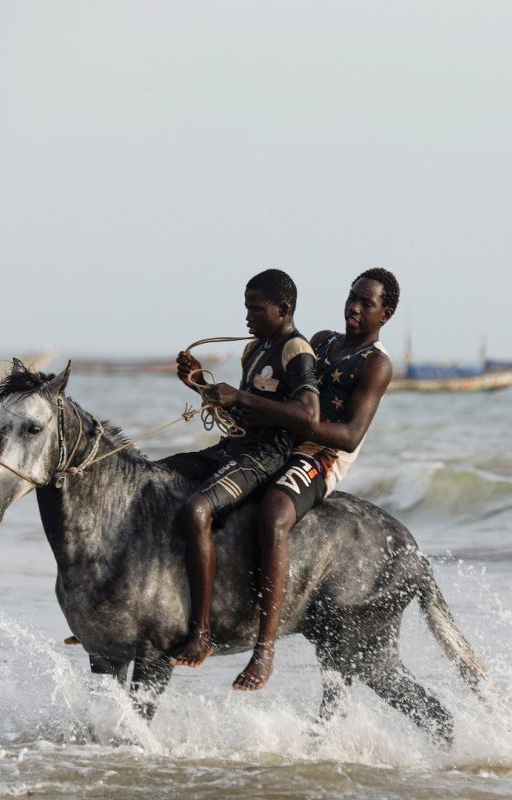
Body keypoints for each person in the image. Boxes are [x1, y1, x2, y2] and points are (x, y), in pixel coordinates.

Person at [232, 267, 399, 691]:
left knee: (273, 514)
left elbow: (350, 435)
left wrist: (286, 421)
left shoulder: (376, 365)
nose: (354, 307)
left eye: (367, 303)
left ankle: (264, 650)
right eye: (352, 297)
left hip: (324, 453)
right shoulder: (322, 340)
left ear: (387, 313)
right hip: (284, 437)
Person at [163, 269, 320, 669]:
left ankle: (201, 634)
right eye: (246, 308)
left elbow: (308, 414)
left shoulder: (296, 350)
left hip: (266, 456)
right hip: (235, 446)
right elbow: (238, 405)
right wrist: (199, 384)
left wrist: (239, 397)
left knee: (197, 510)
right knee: (152, 480)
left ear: (283, 310)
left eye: (256, 309)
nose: (248, 317)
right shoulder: (254, 350)